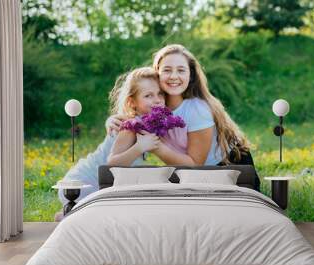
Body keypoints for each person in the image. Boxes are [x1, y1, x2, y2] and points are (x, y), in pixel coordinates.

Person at [108, 44, 260, 190]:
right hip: (190, 173)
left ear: (190, 75)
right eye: (167, 70)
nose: (174, 76)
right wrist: (112, 121)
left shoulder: (197, 110)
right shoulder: (155, 104)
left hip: (230, 167)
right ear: (157, 74)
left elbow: (195, 165)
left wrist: (156, 147)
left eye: (181, 70)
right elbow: (132, 115)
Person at [107, 67, 188, 166]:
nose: (157, 100)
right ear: (132, 102)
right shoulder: (131, 126)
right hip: (93, 178)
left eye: (160, 94)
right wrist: (139, 147)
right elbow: (110, 165)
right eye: (148, 96)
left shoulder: (152, 123)